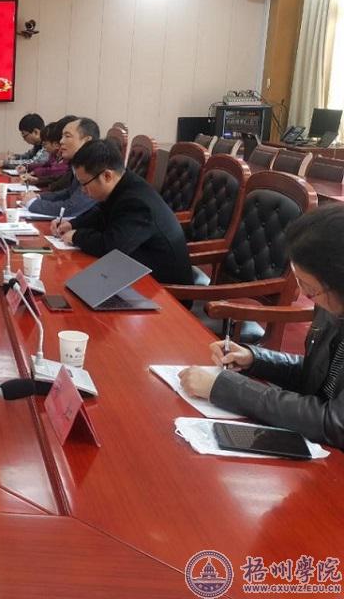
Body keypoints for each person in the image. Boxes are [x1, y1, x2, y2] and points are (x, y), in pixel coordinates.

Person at [179, 204, 344, 448]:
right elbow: (317, 375)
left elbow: (334, 423)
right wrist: (255, 359)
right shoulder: (332, 304)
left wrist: (224, 388)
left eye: (310, 289)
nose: (302, 293)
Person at [53, 140, 192, 285]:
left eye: (84, 184)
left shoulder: (137, 202)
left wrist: (76, 236)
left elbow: (111, 247)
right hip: (133, 272)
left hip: (163, 287)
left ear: (107, 176)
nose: (82, 190)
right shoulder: (122, 184)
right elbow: (100, 215)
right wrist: (72, 224)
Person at [23, 116, 100, 218]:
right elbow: (69, 192)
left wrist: (33, 203)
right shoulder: (80, 163)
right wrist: (40, 197)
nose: (61, 141)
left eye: (67, 136)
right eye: (61, 137)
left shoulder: (95, 166)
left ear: (86, 141)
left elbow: (71, 208)